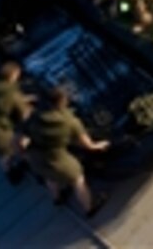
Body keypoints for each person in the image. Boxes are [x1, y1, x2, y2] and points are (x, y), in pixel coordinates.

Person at [22, 87, 109, 217]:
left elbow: (21, 137)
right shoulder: (70, 121)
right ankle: (89, 207)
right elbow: (87, 145)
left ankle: (57, 198)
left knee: (49, 176)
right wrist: (100, 145)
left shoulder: (36, 116)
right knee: (77, 179)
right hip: (56, 157)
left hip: (36, 156)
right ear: (63, 101)